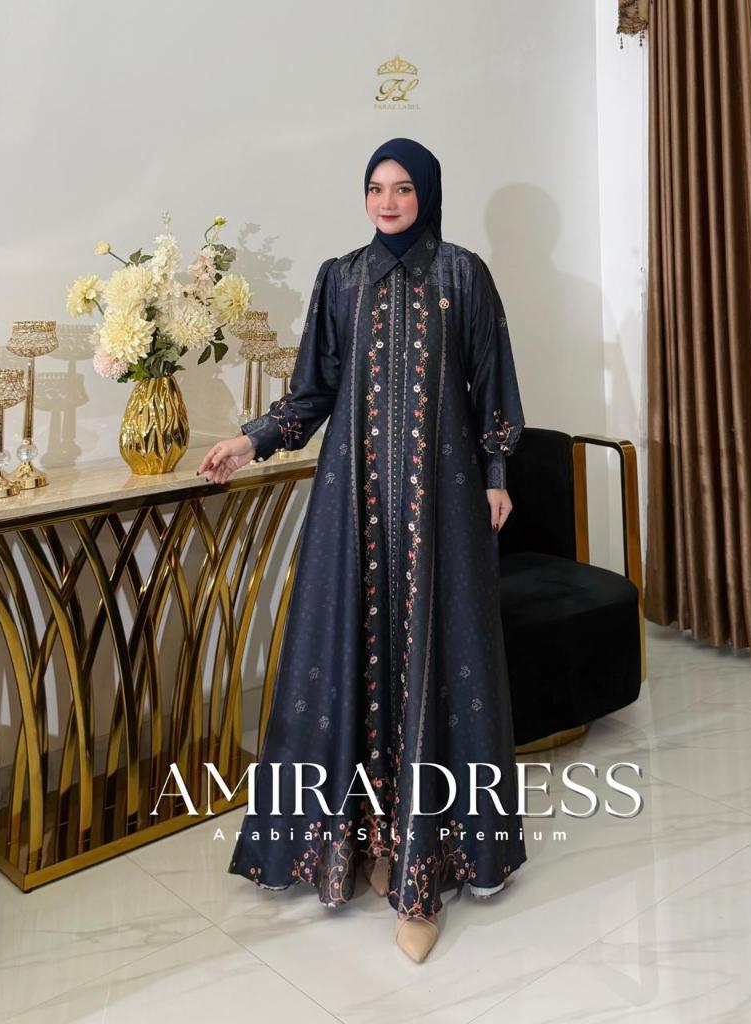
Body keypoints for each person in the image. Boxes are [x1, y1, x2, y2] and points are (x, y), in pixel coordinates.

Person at [198, 137, 527, 964]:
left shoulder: (463, 276)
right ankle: (367, 842)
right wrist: (250, 439)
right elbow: (313, 390)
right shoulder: (340, 278)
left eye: (403, 188)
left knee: (434, 660)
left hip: (443, 504)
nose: (388, 201)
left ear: (428, 195)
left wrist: (496, 473)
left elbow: (493, 383)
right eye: (376, 187)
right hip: (354, 505)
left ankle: (425, 868)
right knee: (352, 658)